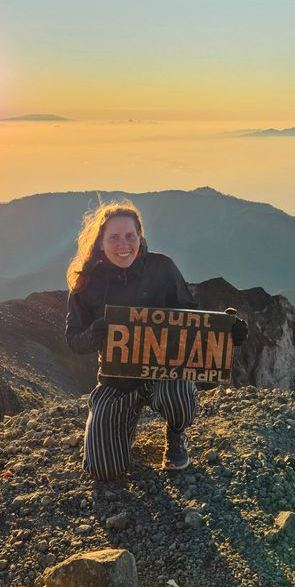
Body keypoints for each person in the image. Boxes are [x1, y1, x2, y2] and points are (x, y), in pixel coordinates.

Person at [65, 199, 248, 482]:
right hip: (117, 382)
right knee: (103, 470)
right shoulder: (86, 283)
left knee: (178, 393)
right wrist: (95, 333)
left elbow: (192, 321)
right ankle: (116, 425)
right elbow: (74, 341)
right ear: (100, 243)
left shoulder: (162, 268)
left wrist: (225, 333)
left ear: (140, 238)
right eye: (114, 237)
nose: (123, 244)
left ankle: (176, 434)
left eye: (130, 236)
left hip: (164, 375)